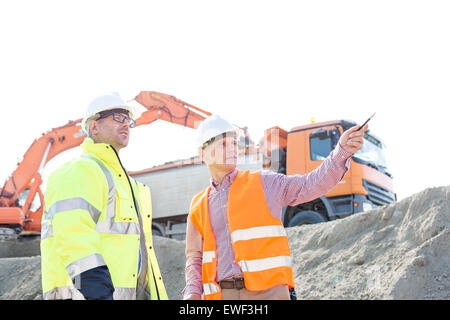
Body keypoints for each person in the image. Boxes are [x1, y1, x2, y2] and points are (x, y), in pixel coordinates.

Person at [183, 114, 368, 300]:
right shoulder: (198, 204)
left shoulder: (263, 182)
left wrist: (341, 152)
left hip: (269, 294)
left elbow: (310, 184)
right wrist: (192, 291)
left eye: (233, 143)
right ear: (203, 153)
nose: (232, 149)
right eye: (223, 144)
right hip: (224, 296)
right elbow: (195, 257)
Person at [40, 92, 168, 300]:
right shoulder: (80, 171)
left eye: (128, 119)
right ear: (94, 127)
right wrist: (97, 292)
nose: (126, 123)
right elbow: (73, 237)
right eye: (117, 116)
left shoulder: (127, 184)